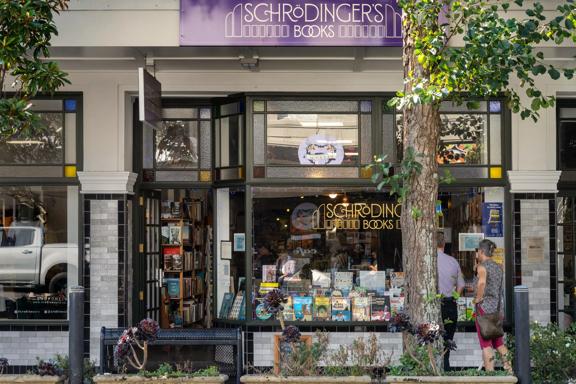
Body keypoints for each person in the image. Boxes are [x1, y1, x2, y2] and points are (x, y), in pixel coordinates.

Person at [474, 239, 512, 373]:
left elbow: (482, 283)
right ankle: (509, 371)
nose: (477, 253)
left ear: (482, 251)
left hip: (484, 310)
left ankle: (490, 377)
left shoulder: (482, 266)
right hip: (497, 310)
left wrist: (478, 299)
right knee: (499, 343)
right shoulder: (498, 267)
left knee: (486, 345)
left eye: (477, 251)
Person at [437, 232, 464, 371]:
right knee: (447, 339)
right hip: (449, 304)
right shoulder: (453, 261)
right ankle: (446, 368)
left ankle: (434, 369)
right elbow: (461, 286)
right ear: (444, 244)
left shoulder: (428, 262)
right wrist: (454, 297)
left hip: (434, 304)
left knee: (432, 340)